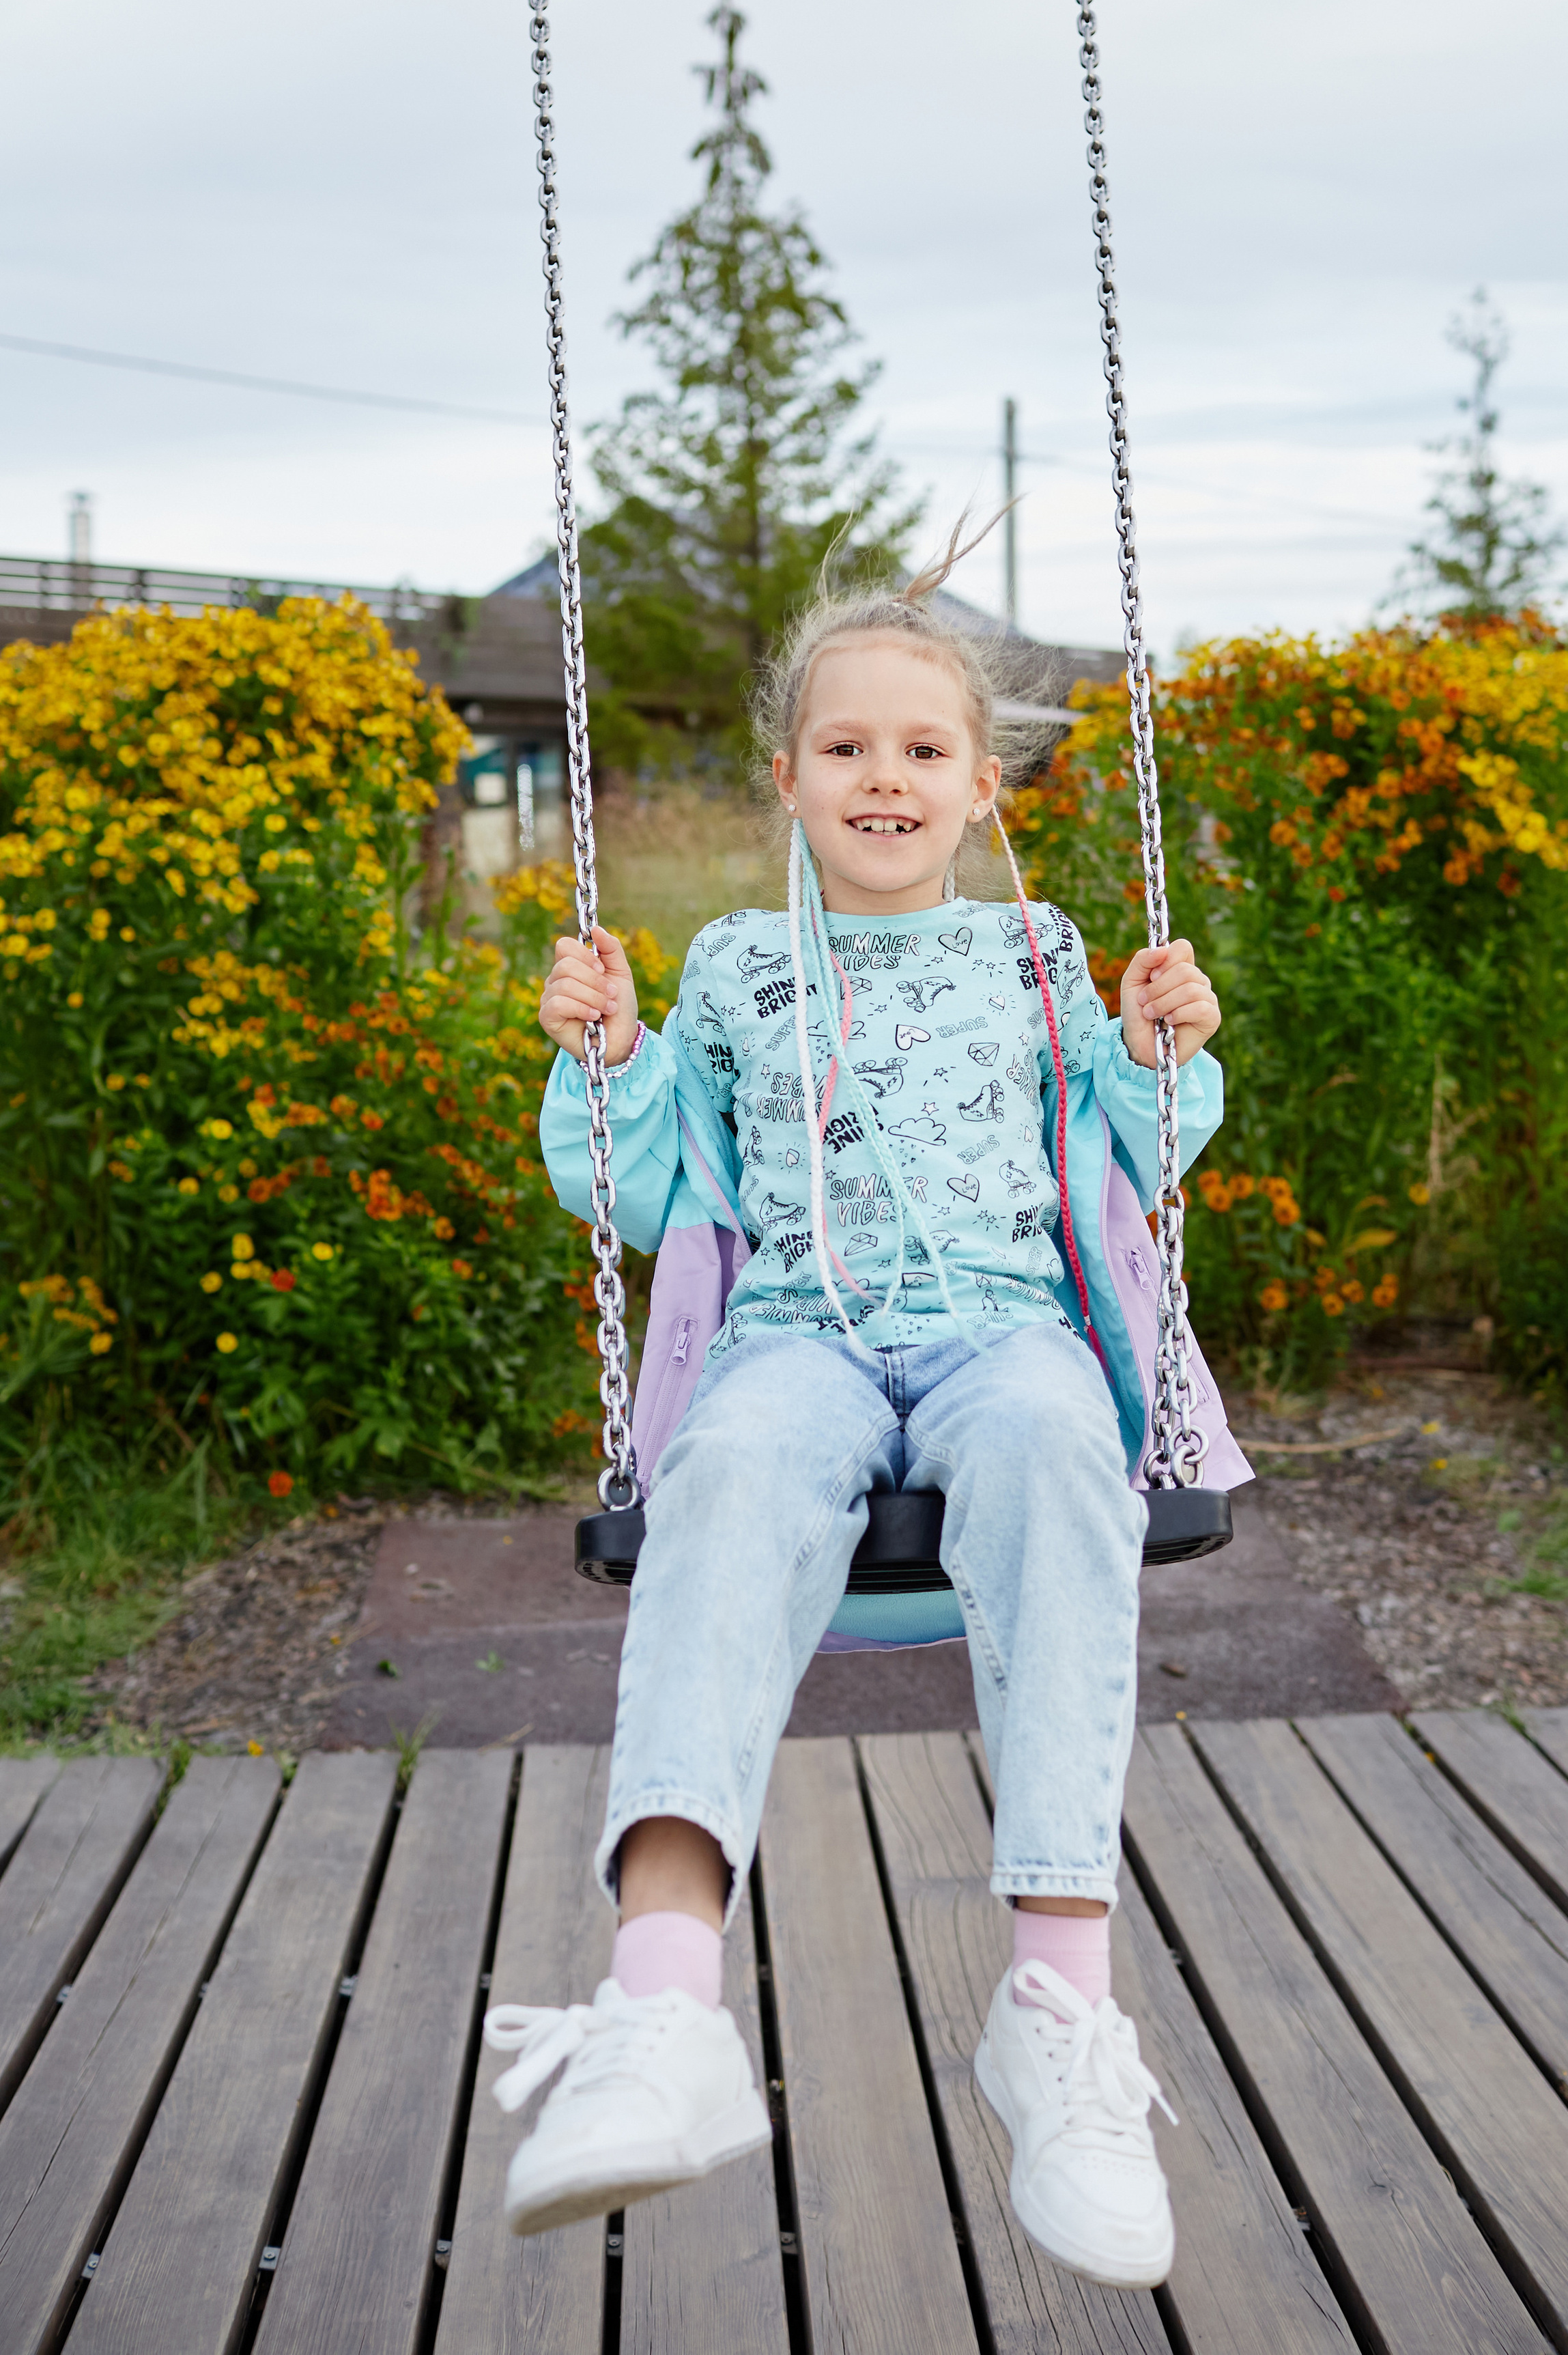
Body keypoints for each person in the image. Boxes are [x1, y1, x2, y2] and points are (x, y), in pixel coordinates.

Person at [485, 528, 1228, 2291]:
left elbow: (1142, 1161)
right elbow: (641, 1190)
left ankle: (1057, 2011)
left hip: (1006, 1330)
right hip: (797, 1336)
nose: (882, 777)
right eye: (845, 749)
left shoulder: (1045, 951)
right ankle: (661, 2008)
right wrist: (597, 1058)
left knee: (1061, 1451)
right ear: (789, 781)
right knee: (725, 1470)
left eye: (920, 750)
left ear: (981, 786)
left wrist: (1159, 1053)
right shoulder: (737, 965)